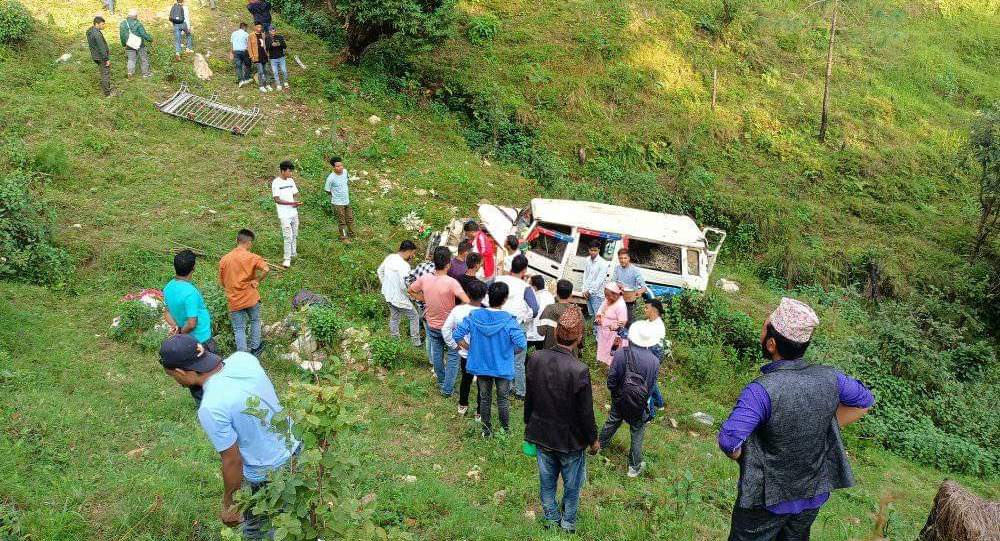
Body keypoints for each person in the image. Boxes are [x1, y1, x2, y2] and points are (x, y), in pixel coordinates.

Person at [718, 298, 874, 541]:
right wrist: (822, 424)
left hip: (765, 501)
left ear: (771, 344)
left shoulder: (761, 390)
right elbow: (864, 402)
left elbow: (730, 441)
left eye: (764, 326)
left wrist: (752, 458)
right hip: (812, 494)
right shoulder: (831, 377)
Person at [158, 334, 298, 540]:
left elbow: (233, 460)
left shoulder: (211, 406)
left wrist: (229, 503)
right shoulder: (244, 359)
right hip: (295, 447)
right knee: (299, 516)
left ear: (181, 372)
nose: (176, 381)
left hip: (267, 474)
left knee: (258, 533)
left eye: (173, 376)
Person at [524, 307, 599, 533]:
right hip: (570, 442)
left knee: (547, 483)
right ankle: (567, 525)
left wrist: (529, 424)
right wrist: (593, 440)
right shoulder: (579, 369)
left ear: (556, 334)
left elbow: (531, 396)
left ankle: (551, 519)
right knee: (572, 486)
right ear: (579, 338)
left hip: (541, 433)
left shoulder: (536, 358)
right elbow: (586, 413)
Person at [453, 282, 527, 437]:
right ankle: (504, 431)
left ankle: (486, 431)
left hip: (481, 365)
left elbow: (457, 334)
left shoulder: (474, 316)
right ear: (505, 299)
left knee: (484, 398)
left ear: (488, 296)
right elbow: (521, 343)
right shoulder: (509, 321)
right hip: (502, 367)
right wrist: (508, 352)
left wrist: (470, 348)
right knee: (503, 400)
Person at [597, 320, 660, 478]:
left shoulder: (621, 353)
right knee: (637, 432)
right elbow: (651, 387)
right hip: (639, 403)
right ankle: (634, 467)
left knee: (612, 422)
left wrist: (616, 394)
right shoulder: (654, 361)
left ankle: (597, 448)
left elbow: (612, 379)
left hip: (619, 398)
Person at [408, 246, 470, 397]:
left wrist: (424, 298)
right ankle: (447, 389)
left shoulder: (425, 278)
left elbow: (410, 290)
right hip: (448, 327)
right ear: (448, 264)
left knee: (437, 353)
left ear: (433, 262)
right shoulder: (452, 282)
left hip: (432, 324)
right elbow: (467, 300)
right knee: (454, 355)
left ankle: (442, 382)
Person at [163, 249, 214, 404]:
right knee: (209, 374)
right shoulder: (190, 292)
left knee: (192, 374)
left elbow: (167, 312)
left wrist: (177, 329)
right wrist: (181, 333)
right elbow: (192, 323)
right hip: (201, 339)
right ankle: (210, 405)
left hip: (187, 341)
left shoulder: (169, 287)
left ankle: (201, 404)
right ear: (193, 268)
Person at [494, 254, 539, 399]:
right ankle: (520, 391)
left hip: (498, 323)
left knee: (502, 356)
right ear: (524, 270)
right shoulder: (525, 287)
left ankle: (502, 387)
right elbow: (535, 309)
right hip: (516, 326)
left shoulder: (498, 279)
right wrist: (525, 318)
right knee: (518, 361)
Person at [218, 229, 269, 355]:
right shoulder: (252, 257)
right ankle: (255, 348)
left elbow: (222, 281)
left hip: (234, 300)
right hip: (250, 297)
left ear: (237, 240)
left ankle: (242, 354)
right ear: (249, 242)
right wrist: (257, 280)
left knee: (239, 328)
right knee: (255, 321)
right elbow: (266, 269)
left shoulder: (224, 260)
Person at [442, 279, 487, 416]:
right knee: (482, 384)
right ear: (484, 296)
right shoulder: (487, 313)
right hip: (481, 355)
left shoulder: (458, 310)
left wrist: (454, 345)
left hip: (465, 354)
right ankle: (479, 412)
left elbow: (445, 329)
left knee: (465, 380)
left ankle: (462, 405)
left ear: (467, 293)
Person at [377, 241, 421, 347]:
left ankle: (394, 340)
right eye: (413, 253)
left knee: (394, 316)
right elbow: (404, 286)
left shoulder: (390, 257)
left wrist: (386, 284)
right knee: (414, 316)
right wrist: (412, 296)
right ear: (408, 251)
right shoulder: (405, 266)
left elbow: (379, 271)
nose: (413, 256)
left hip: (388, 294)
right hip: (399, 297)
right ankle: (416, 342)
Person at [271, 160, 300, 268]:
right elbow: (277, 199)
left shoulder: (291, 181)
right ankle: (287, 259)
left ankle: (294, 253)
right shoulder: (276, 182)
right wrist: (290, 203)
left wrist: (296, 201)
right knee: (288, 236)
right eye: (289, 171)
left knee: (295, 234)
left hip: (293, 212)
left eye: (291, 171)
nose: (290, 173)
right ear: (282, 171)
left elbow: (296, 193)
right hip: (284, 214)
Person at [537, 279, 577, 354]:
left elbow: (541, 331)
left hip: (550, 352)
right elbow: (581, 337)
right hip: (570, 354)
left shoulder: (549, 309)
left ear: (556, 293)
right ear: (571, 294)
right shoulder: (577, 311)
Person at [643, 299, 667, 419]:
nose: (644, 310)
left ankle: (649, 413)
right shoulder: (650, 322)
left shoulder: (656, 325)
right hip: (653, 352)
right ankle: (659, 403)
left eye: (647, 308)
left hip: (654, 353)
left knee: (647, 382)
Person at [594, 283, 628, 366]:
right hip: (604, 331)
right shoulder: (607, 300)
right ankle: (604, 362)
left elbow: (623, 322)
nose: (606, 297)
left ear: (615, 294)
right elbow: (600, 310)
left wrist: (613, 326)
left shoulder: (621, 306)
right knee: (604, 348)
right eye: (605, 295)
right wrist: (598, 317)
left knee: (612, 352)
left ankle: (612, 367)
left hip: (614, 335)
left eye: (608, 295)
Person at [613, 249, 647, 326]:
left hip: (630, 300)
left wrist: (639, 292)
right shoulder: (617, 268)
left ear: (629, 258)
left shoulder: (635, 270)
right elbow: (613, 282)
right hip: (618, 298)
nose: (622, 260)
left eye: (625, 258)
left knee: (629, 322)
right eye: (620, 258)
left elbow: (644, 287)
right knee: (616, 321)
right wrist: (618, 284)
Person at [323, 157, 353, 242]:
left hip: (346, 201)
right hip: (338, 203)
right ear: (333, 167)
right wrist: (336, 196)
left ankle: (352, 234)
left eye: (341, 165)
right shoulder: (331, 178)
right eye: (337, 166)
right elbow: (327, 190)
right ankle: (344, 238)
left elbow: (347, 181)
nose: (340, 167)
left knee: (350, 219)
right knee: (342, 221)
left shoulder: (345, 172)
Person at [582, 240, 610, 327]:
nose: (593, 252)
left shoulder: (603, 263)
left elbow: (599, 280)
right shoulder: (587, 260)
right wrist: (583, 290)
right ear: (588, 250)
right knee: (592, 315)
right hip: (587, 293)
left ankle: (600, 337)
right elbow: (585, 276)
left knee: (598, 317)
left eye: (595, 250)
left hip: (597, 294)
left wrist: (589, 291)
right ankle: (595, 336)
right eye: (591, 250)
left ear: (598, 250)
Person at [119, 9, 152, 78]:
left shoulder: (122, 23)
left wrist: (124, 44)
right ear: (134, 16)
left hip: (129, 44)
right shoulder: (138, 23)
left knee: (131, 59)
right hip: (139, 44)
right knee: (143, 58)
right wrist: (150, 39)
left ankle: (130, 73)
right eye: (136, 16)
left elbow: (122, 36)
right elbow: (143, 34)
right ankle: (146, 74)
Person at [525, 275, 554, 351]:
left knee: (521, 354)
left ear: (534, 287)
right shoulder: (550, 296)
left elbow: (531, 314)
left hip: (532, 333)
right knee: (541, 355)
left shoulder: (534, 297)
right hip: (545, 334)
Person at [87, 16, 111, 97]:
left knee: (102, 72)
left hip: (95, 56)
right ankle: (107, 93)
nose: (104, 26)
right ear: (97, 24)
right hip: (101, 57)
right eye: (102, 24)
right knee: (105, 74)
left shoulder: (90, 31)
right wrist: (106, 59)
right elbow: (101, 47)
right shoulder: (97, 34)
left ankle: (106, 88)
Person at [247, 22, 272, 92]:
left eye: (260, 27)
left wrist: (268, 54)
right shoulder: (251, 35)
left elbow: (265, 45)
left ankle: (267, 84)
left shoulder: (263, 35)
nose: (259, 28)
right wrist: (251, 56)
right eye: (258, 27)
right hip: (257, 56)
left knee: (267, 70)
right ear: (254, 27)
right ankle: (261, 86)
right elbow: (249, 47)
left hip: (264, 55)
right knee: (260, 71)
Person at [230, 22, 252, 86]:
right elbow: (248, 45)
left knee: (238, 66)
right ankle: (246, 78)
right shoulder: (246, 34)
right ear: (244, 27)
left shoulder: (233, 33)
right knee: (248, 64)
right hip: (244, 51)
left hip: (236, 51)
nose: (246, 29)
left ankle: (240, 80)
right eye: (246, 28)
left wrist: (231, 53)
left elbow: (232, 43)